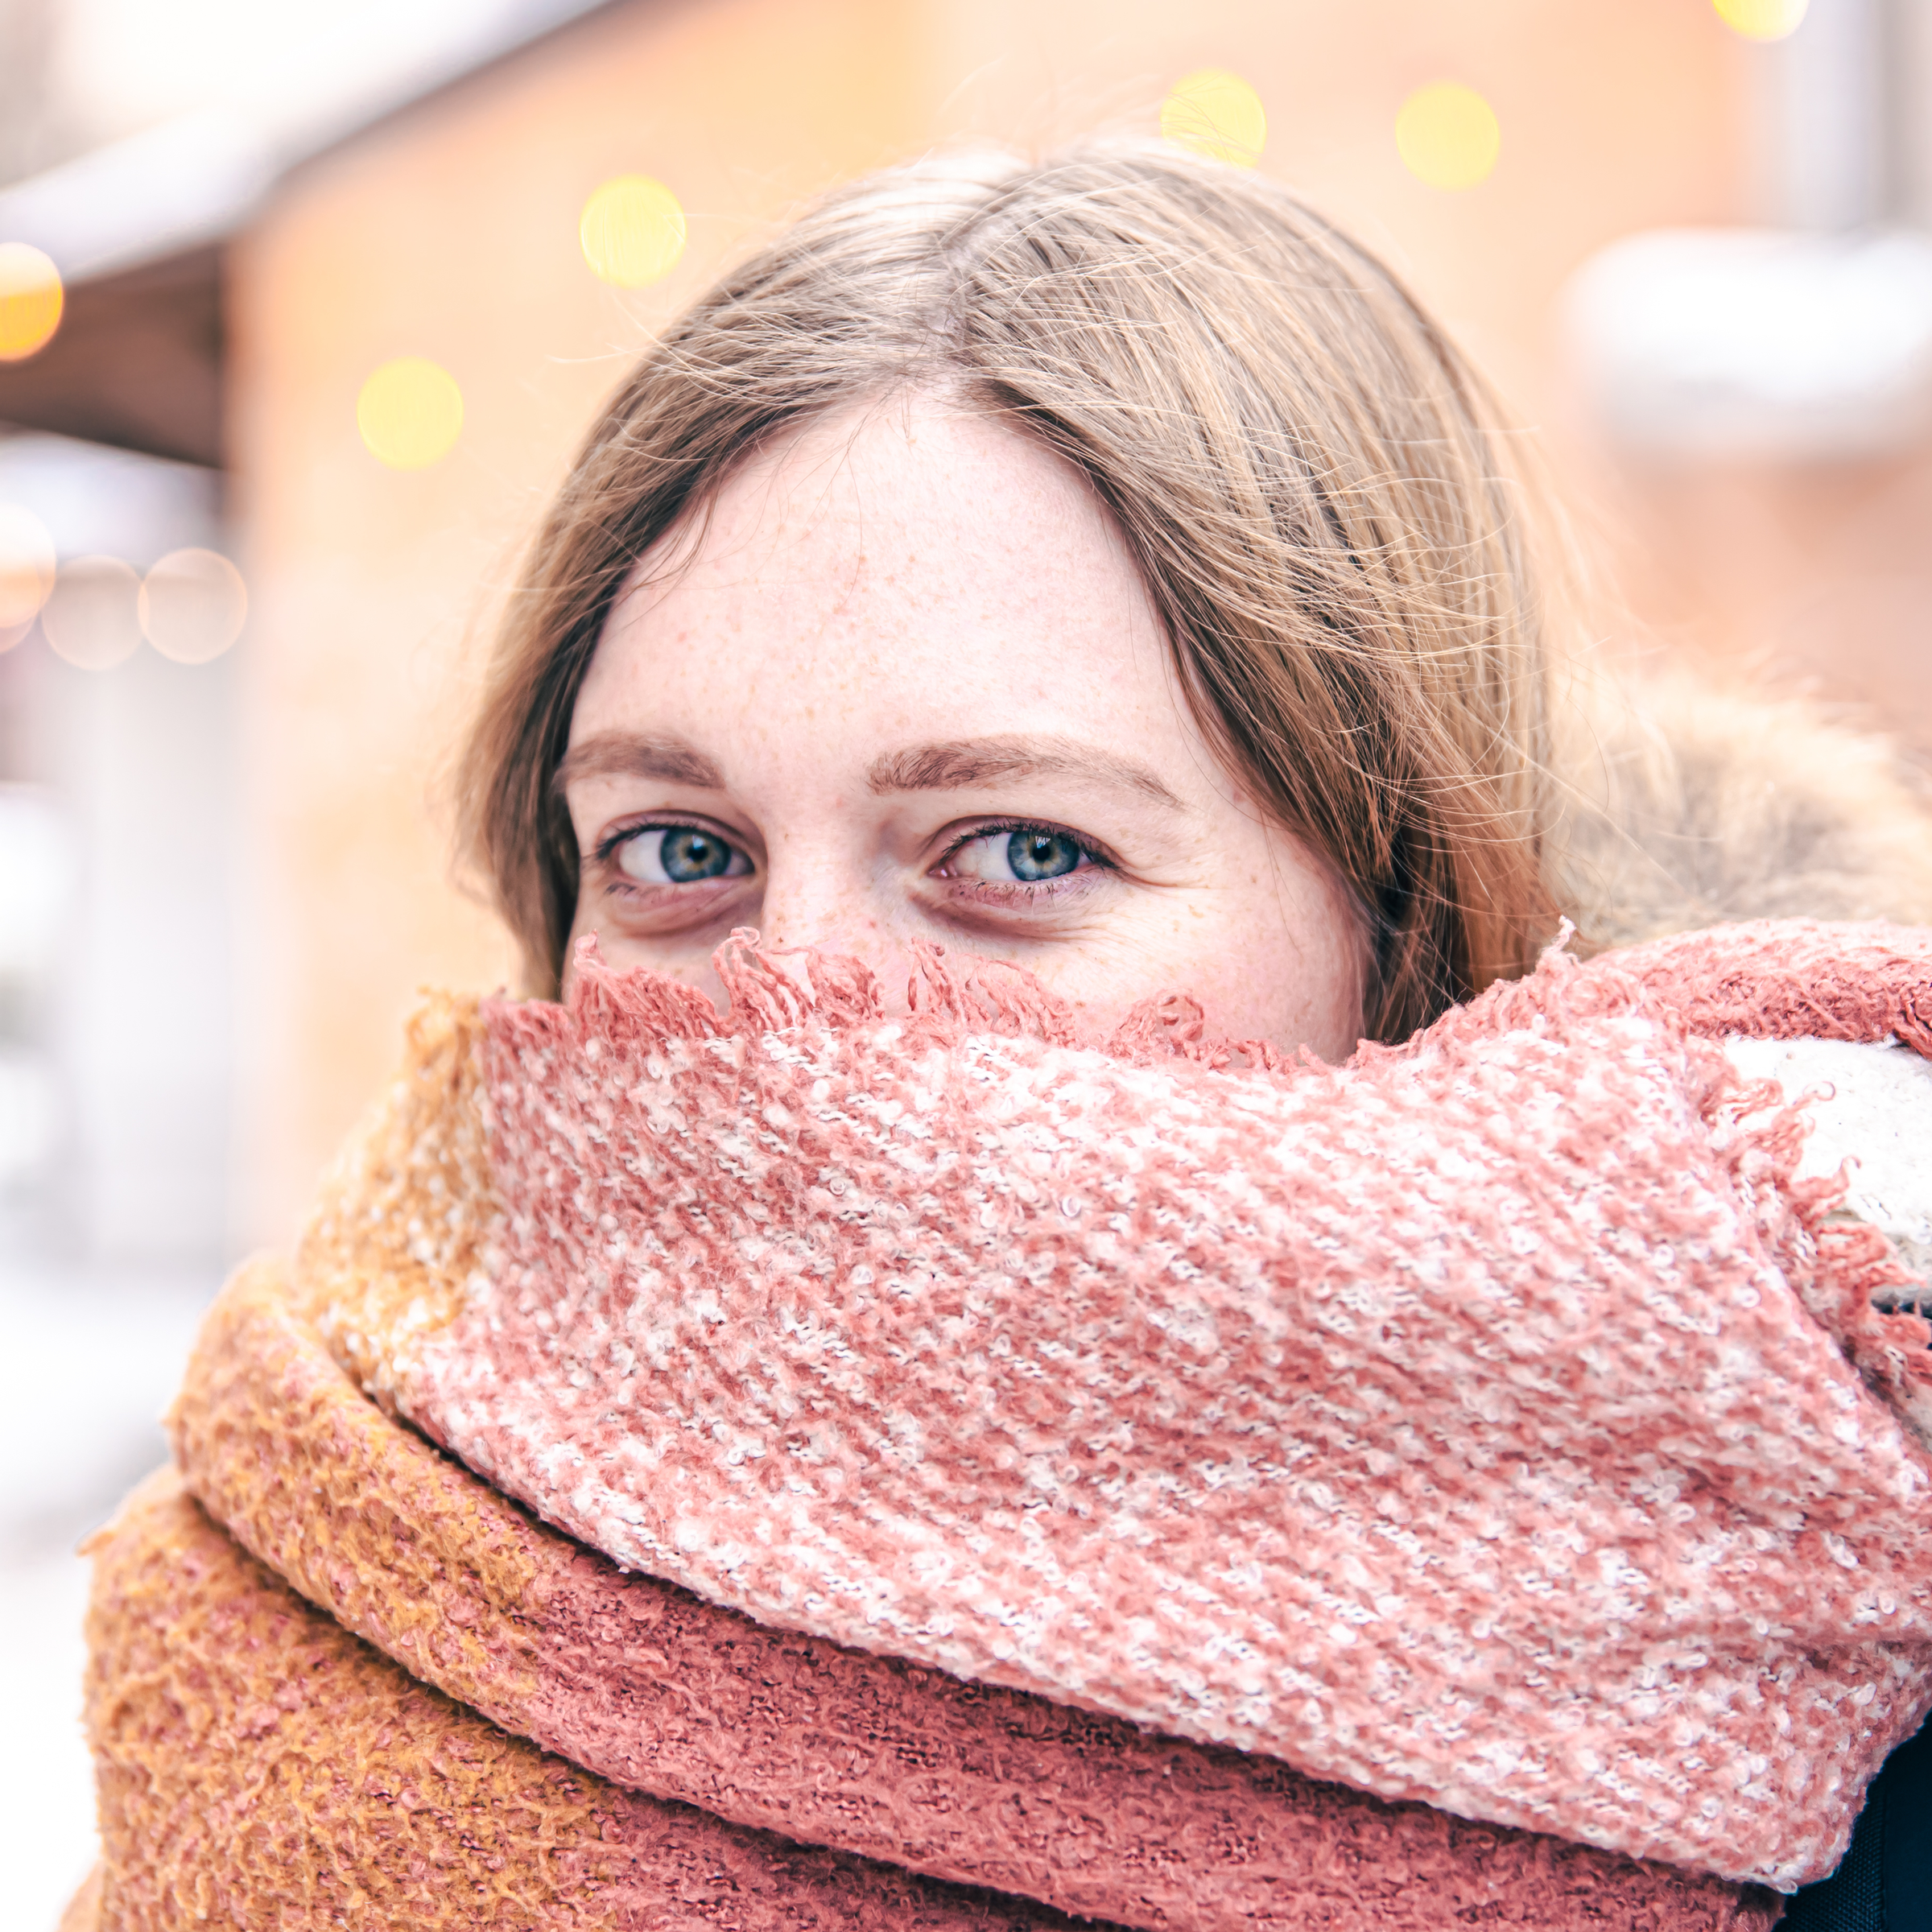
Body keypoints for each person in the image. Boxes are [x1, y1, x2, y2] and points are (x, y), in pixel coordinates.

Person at [69, 142, 1932, 1932]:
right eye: (682, 852)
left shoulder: (1845, 1677)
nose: (796, 1012)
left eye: (1023, 851)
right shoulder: (306, 1570)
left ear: (1403, 920)